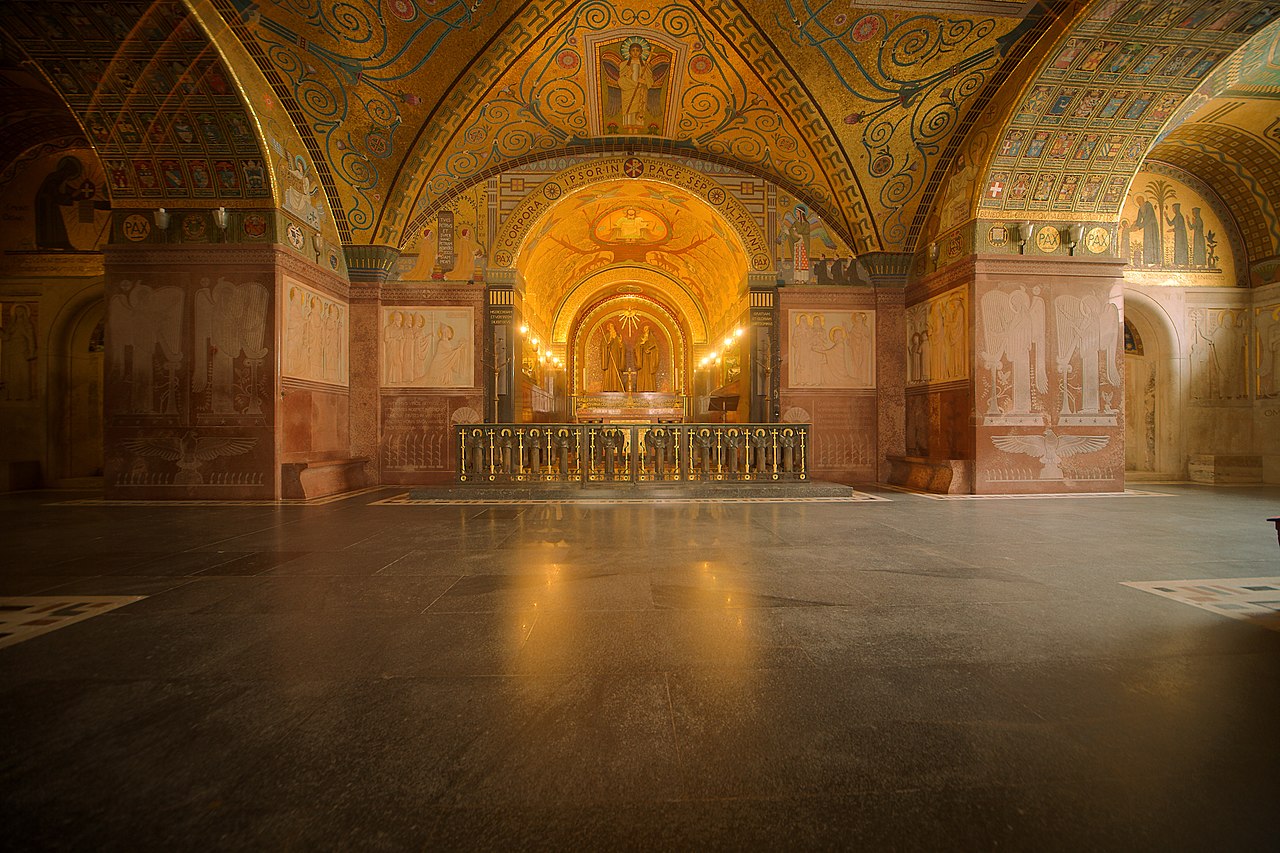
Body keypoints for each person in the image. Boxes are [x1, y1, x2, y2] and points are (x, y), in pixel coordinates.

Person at [1, 305, 36, 400]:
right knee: (13, 375)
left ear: (24, 313)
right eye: (17, 311)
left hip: (22, 351)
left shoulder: (27, 325)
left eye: (21, 311)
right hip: (12, 351)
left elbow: (31, 339)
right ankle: (13, 396)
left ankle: (25, 395)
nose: (19, 313)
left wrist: (31, 352)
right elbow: (6, 338)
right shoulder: (11, 325)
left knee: (23, 373)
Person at [618, 42, 653, 132]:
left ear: (641, 52)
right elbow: (620, 80)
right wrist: (627, 77)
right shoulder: (624, 64)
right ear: (629, 52)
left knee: (639, 107)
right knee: (628, 108)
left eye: (637, 50)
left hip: (640, 90)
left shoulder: (645, 65)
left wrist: (644, 82)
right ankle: (629, 126)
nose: (635, 52)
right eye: (633, 50)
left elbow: (650, 80)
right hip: (628, 91)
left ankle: (637, 126)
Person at [1129, 195, 1161, 266]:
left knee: (1154, 243)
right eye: (1138, 202)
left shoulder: (1148, 205)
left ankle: (1157, 263)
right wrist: (1134, 227)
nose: (1139, 203)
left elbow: (1148, 217)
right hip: (1146, 227)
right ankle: (1146, 262)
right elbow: (1138, 219)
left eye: (1140, 201)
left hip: (1152, 226)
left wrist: (1139, 227)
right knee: (1147, 243)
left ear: (1143, 200)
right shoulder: (1140, 209)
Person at [601, 322, 625, 392]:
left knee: (616, 371)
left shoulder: (617, 337)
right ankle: (608, 387)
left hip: (616, 356)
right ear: (608, 328)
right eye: (610, 326)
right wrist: (609, 342)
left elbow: (621, 348)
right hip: (609, 358)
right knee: (609, 371)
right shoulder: (606, 336)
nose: (612, 328)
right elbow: (603, 347)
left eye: (613, 326)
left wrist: (621, 344)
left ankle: (617, 387)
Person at [637, 325, 658, 392]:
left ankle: (650, 387)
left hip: (649, 359)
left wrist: (651, 351)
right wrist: (641, 345)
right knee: (642, 372)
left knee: (649, 373)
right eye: (644, 328)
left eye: (647, 328)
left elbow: (656, 349)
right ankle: (641, 388)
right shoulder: (640, 338)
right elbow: (636, 348)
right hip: (642, 358)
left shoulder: (652, 338)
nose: (645, 330)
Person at [1166, 202, 1188, 267]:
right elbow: (1170, 223)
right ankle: (1177, 263)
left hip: (1181, 236)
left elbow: (1180, 227)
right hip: (1178, 235)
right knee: (1177, 248)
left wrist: (1172, 230)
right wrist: (1166, 217)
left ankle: (1184, 264)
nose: (1173, 210)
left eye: (1173, 209)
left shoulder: (1180, 217)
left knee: (1181, 248)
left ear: (1176, 209)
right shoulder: (1176, 216)